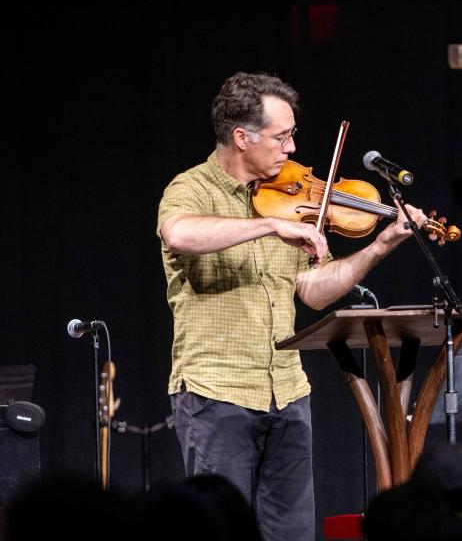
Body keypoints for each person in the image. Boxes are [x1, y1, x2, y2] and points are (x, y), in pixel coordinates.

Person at [157, 71, 427, 541]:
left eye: (292, 135)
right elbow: (178, 233)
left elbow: (315, 289)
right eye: (282, 137)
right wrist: (269, 228)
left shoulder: (289, 199)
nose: (292, 149)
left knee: (293, 533)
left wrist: (380, 246)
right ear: (242, 137)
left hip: (287, 392)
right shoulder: (191, 189)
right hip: (215, 391)